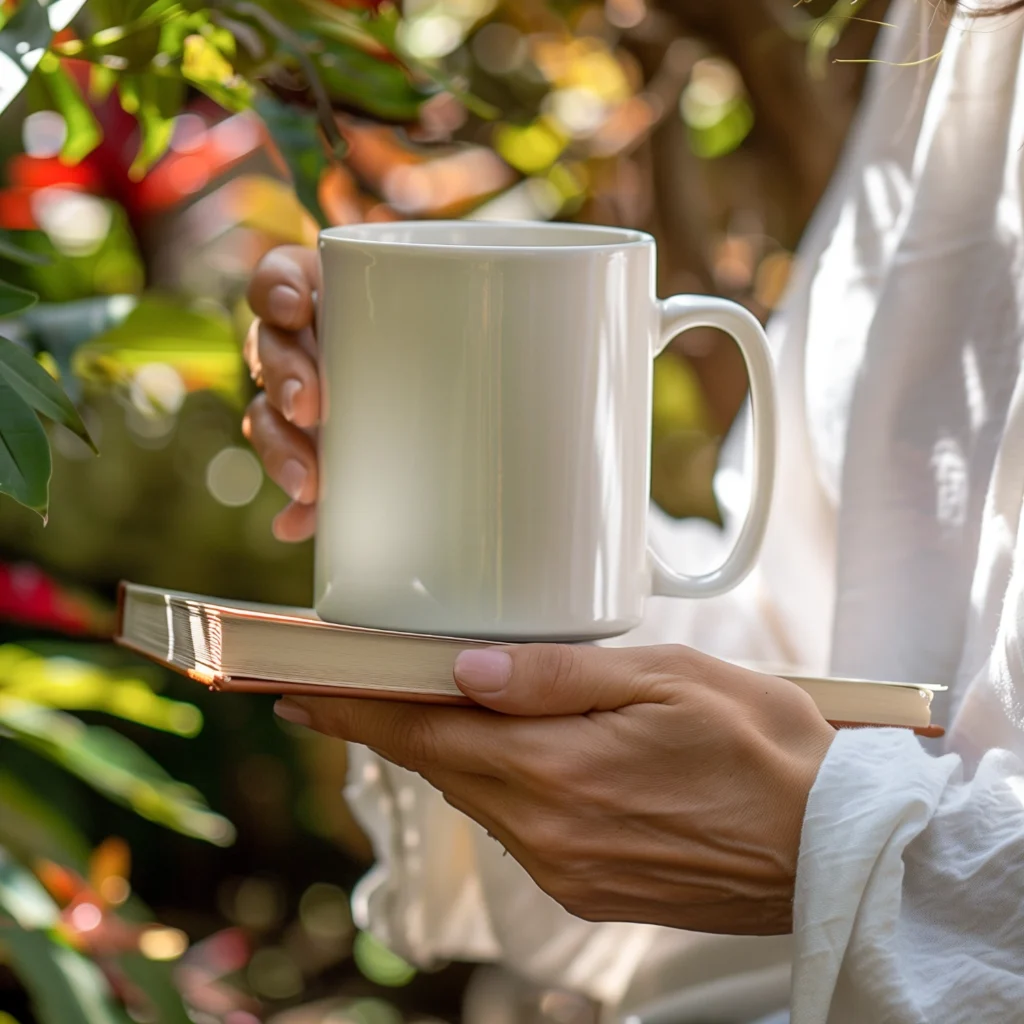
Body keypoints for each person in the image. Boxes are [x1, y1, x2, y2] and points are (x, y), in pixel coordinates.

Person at [241, 1, 1024, 1020]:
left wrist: (839, 847)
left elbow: (859, 782)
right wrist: (445, 497)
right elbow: (831, 649)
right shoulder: (956, 38)